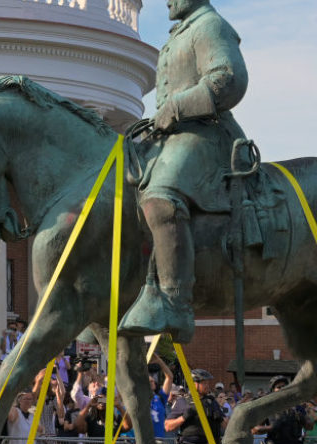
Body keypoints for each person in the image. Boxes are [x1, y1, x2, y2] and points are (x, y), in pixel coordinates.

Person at [119, 0, 250, 344]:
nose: (166, 1)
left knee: (160, 198)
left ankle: (176, 302)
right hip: (173, 137)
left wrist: (176, 107)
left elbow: (229, 78)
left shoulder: (210, 26)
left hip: (206, 135)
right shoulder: (182, 32)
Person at [164, 368, 224, 444]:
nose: (207, 385)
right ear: (194, 384)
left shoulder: (211, 402)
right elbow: (167, 426)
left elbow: (226, 425)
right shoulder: (183, 402)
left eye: (208, 382)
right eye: (204, 383)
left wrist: (220, 417)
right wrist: (184, 417)